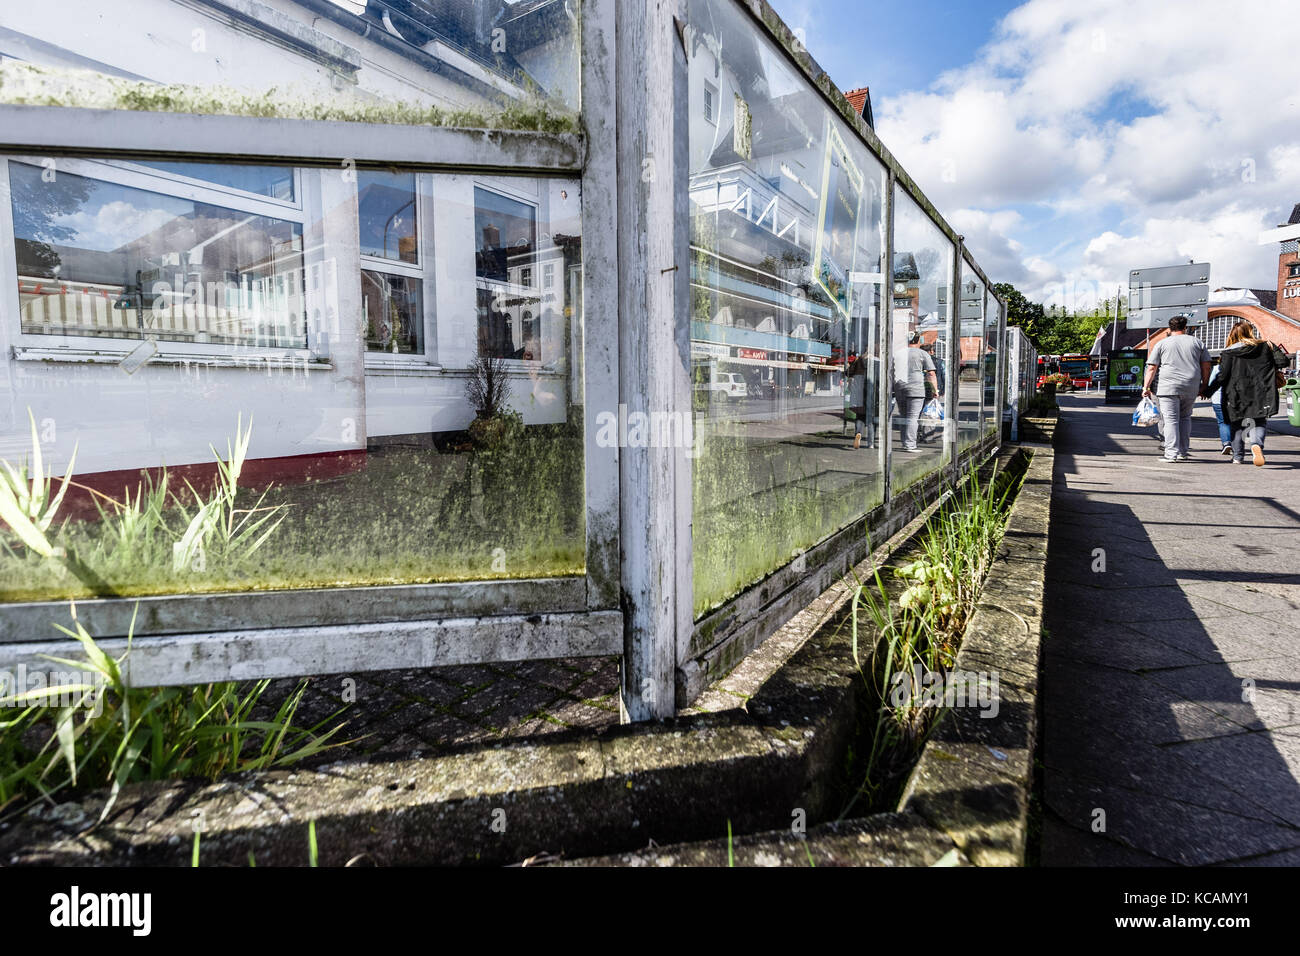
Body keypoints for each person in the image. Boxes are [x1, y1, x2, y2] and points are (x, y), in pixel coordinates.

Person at [1206, 321, 1289, 466]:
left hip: (1236, 394)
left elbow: (1223, 376)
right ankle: (1256, 444)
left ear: (1232, 334)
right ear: (1251, 332)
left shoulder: (1229, 352)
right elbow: (1283, 362)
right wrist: (1272, 347)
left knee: (1236, 424)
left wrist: (1208, 391)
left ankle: (1238, 457)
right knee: (1259, 421)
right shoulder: (1264, 347)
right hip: (1262, 392)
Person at [1142, 314, 1210, 462]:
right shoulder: (1197, 343)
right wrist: (1204, 385)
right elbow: (1206, 366)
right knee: (1185, 418)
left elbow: (1152, 368)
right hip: (1191, 385)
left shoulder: (1162, 343)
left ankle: (1171, 453)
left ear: (1170, 328)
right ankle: (1182, 452)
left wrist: (1146, 386)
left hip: (1168, 386)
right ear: (1185, 328)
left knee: (1170, 420)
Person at [893, 331, 938, 452]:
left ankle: (904, 442)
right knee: (913, 417)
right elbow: (931, 373)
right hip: (916, 388)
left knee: (903, 415)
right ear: (918, 341)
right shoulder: (922, 353)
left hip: (899, 386)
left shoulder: (897, 353)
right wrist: (935, 390)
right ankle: (910, 444)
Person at [845, 353, 871, 449]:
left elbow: (847, 372)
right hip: (869, 391)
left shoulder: (859, 361)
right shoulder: (875, 361)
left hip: (858, 392)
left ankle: (858, 433)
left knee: (859, 415)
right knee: (871, 417)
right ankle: (871, 441)